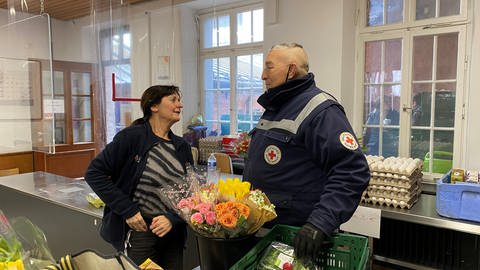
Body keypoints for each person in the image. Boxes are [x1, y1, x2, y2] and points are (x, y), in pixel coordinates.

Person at [242, 43, 370, 263]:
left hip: (298, 239)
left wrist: (319, 223)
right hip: (268, 236)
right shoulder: (278, 106)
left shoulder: (322, 111)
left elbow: (351, 171)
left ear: (291, 70)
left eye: (269, 68)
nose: (263, 75)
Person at [85, 85, 193, 269]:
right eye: (173, 100)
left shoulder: (182, 146)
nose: (180, 105)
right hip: (141, 233)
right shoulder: (131, 138)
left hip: (172, 233)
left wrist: (172, 218)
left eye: (179, 100)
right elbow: (94, 173)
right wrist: (128, 210)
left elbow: (191, 192)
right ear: (154, 106)